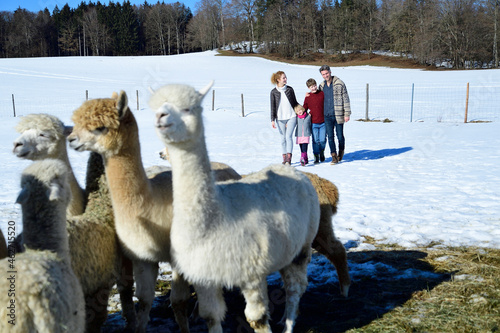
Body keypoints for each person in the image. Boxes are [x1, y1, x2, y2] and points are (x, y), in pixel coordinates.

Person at [318, 65, 351, 164]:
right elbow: (317, 98)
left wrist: (347, 113)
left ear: (330, 72)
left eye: (327, 73)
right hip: (326, 115)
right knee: (330, 137)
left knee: (340, 136)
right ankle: (334, 156)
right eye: (323, 74)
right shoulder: (321, 86)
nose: (325, 76)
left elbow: (346, 99)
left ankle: (341, 151)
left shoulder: (339, 84)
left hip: (338, 114)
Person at [270, 71, 299, 165]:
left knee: (288, 136)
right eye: (284, 78)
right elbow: (272, 106)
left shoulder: (290, 90)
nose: (286, 79)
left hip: (292, 116)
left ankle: (289, 158)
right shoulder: (273, 92)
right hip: (280, 118)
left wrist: (302, 110)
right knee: (282, 138)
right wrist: (272, 120)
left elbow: (295, 103)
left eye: (285, 77)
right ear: (278, 80)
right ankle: (284, 157)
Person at [303, 78, 326, 164]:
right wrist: (302, 113)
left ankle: (322, 151)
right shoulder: (308, 97)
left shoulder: (322, 94)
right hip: (313, 123)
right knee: (316, 140)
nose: (314, 88)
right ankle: (316, 155)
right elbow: (304, 107)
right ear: (309, 88)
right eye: (312, 87)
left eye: (315, 85)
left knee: (323, 140)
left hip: (323, 121)